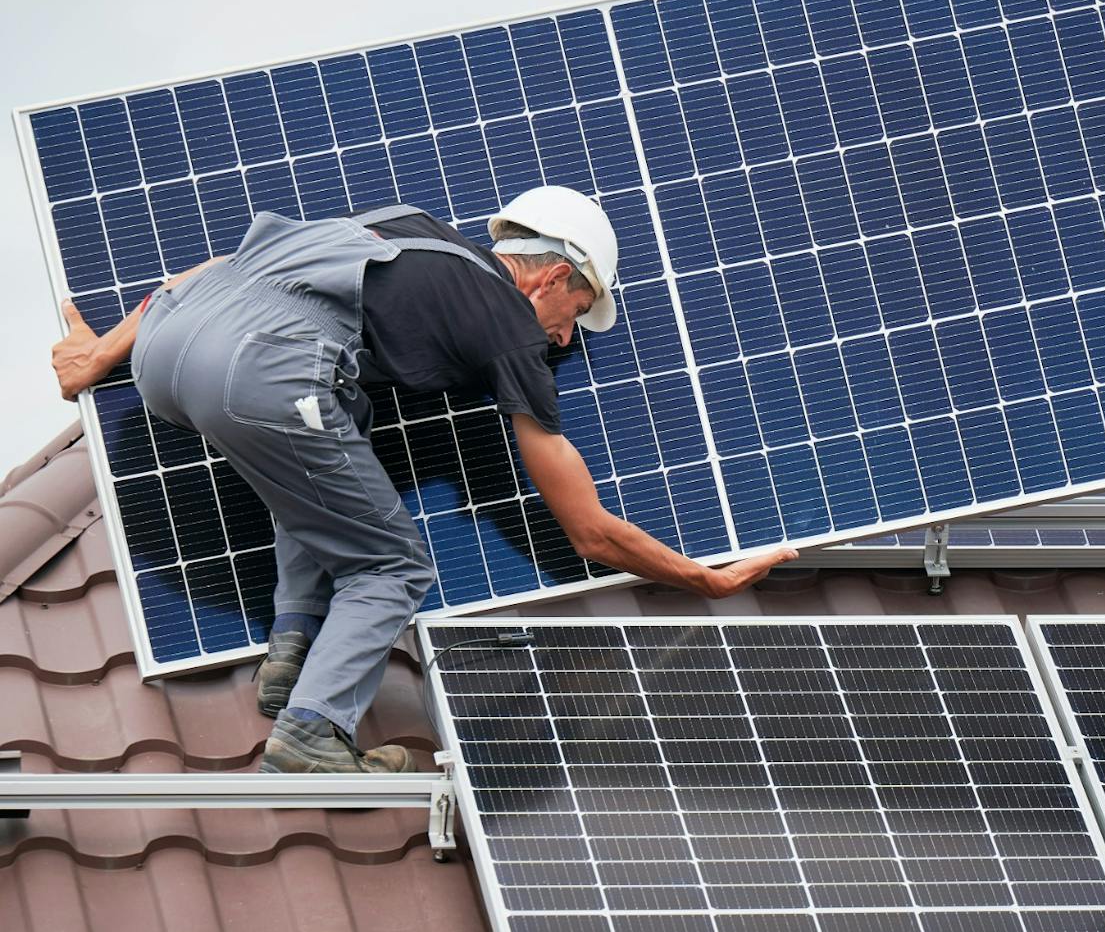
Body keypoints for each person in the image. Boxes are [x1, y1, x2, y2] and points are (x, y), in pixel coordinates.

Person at [51, 186, 795, 772]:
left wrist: (100, 355)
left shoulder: (403, 223)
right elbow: (588, 528)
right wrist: (704, 579)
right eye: (578, 310)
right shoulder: (508, 324)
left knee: (337, 430)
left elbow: (219, 268)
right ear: (554, 276)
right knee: (393, 563)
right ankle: (311, 732)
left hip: (165, 351)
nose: (569, 335)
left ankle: (293, 646)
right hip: (261, 372)